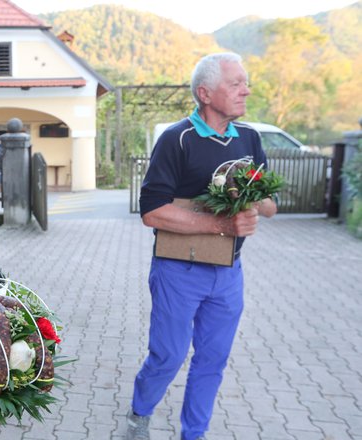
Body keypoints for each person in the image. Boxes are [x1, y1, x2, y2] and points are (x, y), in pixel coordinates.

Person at [127, 52, 277, 440]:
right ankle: (139, 414)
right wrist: (220, 223)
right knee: (169, 356)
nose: (246, 90)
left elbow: (271, 204)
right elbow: (152, 212)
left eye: (246, 82)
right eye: (236, 83)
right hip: (179, 272)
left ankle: (194, 433)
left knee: (212, 358)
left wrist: (254, 204)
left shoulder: (250, 138)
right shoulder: (177, 140)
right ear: (205, 93)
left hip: (229, 273)